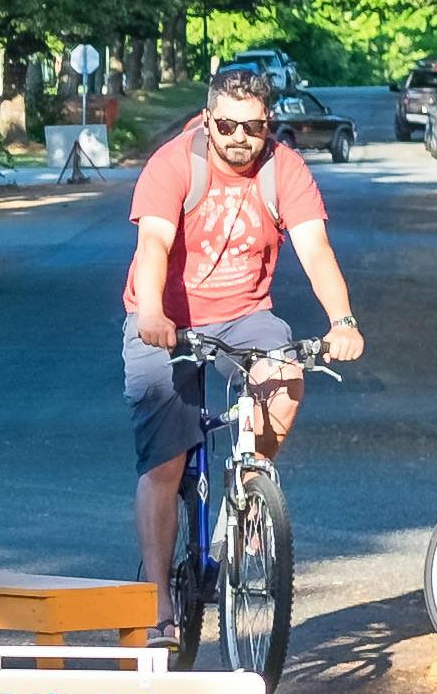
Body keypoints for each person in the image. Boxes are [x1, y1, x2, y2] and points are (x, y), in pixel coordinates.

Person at [125, 65, 364, 586]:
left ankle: (249, 489)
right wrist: (150, 313)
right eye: (228, 125)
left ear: (268, 123)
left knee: (286, 378)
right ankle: (159, 601)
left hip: (246, 313)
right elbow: (153, 244)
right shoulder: (174, 164)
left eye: (252, 127)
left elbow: (315, 250)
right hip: (167, 318)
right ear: (208, 120)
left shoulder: (284, 168)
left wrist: (342, 321)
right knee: (165, 463)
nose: (240, 138)